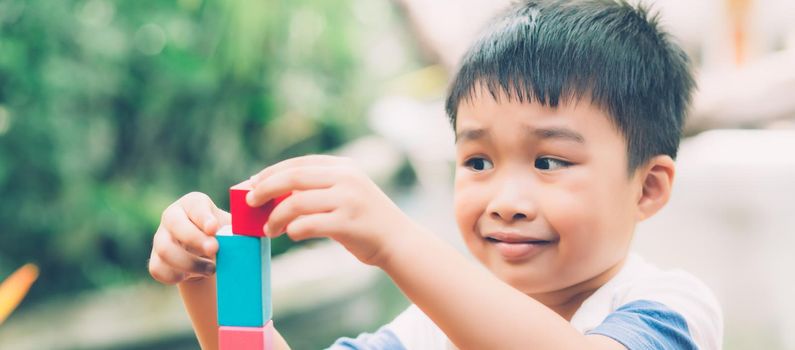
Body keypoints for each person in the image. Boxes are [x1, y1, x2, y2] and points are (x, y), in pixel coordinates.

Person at [148, 0, 723, 348]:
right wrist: (211, 277)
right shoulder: (426, 332)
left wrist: (396, 241)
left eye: (549, 161)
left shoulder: (668, 307)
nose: (506, 200)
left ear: (647, 187)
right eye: (478, 161)